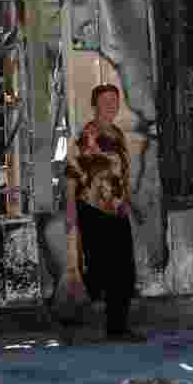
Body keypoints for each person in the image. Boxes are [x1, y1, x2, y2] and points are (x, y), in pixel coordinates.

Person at [64, 83, 145, 342]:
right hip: (93, 209)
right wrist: (70, 213)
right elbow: (72, 174)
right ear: (95, 104)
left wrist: (128, 204)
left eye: (114, 101)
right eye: (105, 101)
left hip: (117, 210)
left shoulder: (118, 134)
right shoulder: (89, 134)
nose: (111, 105)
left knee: (125, 271)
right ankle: (70, 314)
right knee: (99, 270)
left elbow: (121, 175)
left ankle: (117, 327)